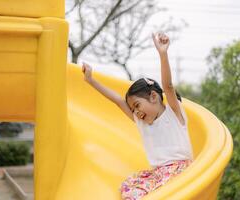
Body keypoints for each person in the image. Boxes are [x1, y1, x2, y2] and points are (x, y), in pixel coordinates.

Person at [82, 32, 193, 200]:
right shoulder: (142, 122)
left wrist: (163, 54)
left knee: (161, 192)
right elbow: (118, 101)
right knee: (129, 187)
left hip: (180, 172)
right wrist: (91, 80)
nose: (136, 112)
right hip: (158, 175)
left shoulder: (173, 112)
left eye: (137, 105)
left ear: (154, 97)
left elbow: (168, 86)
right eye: (133, 109)